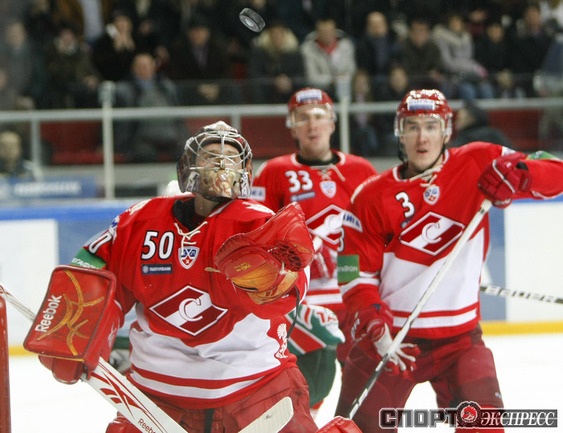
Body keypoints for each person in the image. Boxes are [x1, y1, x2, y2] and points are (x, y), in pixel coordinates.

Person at [46, 120, 320, 433]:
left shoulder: (263, 224)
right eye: (210, 155)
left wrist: (273, 282)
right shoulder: (139, 221)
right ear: (188, 166)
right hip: (156, 397)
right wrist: (76, 325)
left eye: (230, 157)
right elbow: (92, 266)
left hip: (256, 391)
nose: (221, 164)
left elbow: (297, 281)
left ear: (245, 171)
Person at [334, 88, 563, 433]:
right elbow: (353, 272)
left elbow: (556, 171)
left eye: (431, 126)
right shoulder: (369, 196)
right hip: (391, 339)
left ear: (446, 130)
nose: (422, 137)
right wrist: (372, 322)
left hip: (460, 341)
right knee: (356, 429)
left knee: (484, 426)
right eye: (412, 127)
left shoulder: (478, 160)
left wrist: (523, 173)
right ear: (399, 132)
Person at [251, 87, 378, 409]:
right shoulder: (274, 172)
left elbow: (378, 233)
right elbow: (257, 236)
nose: (312, 124)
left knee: (365, 390)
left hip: (353, 293)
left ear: (332, 123)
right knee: (306, 392)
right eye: (302, 118)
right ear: (292, 127)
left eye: (319, 116)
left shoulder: (362, 170)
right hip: (303, 302)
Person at [113, 52, 187, 162]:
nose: (145, 69)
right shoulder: (125, 90)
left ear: (153, 67)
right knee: (144, 154)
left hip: (170, 136)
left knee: (184, 152)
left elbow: (179, 117)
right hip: (142, 138)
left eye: (147, 65)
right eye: (140, 66)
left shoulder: (167, 88)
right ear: (134, 69)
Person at [300, 17, 356, 98]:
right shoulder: (308, 49)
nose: (327, 34)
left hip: (344, 87)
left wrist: (341, 80)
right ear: (318, 33)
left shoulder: (346, 46)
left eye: (329, 31)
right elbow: (312, 77)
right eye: (323, 32)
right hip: (319, 91)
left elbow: (351, 70)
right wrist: (332, 80)